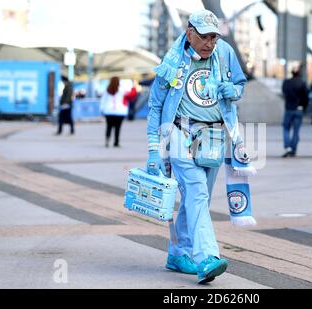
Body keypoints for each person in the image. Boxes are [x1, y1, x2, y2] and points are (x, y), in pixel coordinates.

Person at [146, 10, 246, 284]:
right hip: (178, 131)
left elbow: (240, 83)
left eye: (213, 37)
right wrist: (154, 149)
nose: (209, 43)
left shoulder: (224, 52)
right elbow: (155, 106)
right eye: (203, 36)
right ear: (189, 32)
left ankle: (178, 253)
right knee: (197, 192)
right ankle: (207, 257)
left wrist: (233, 91)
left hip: (214, 136)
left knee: (196, 199)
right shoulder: (172, 60)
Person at [281, 65, 309, 157]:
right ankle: (293, 150)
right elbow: (306, 97)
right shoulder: (302, 83)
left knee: (286, 128)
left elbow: (284, 93)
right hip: (299, 109)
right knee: (296, 131)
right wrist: (303, 107)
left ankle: (288, 147)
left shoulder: (286, 82)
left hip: (289, 108)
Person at [99, 76, 128, 147]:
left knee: (109, 126)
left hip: (108, 111)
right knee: (118, 127)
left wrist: (102, 109)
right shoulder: (122, 89)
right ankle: (116, 142)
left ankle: (107, 141)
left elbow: (103, 100)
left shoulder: (107, 90)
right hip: (119, 111)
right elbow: (126, 99)